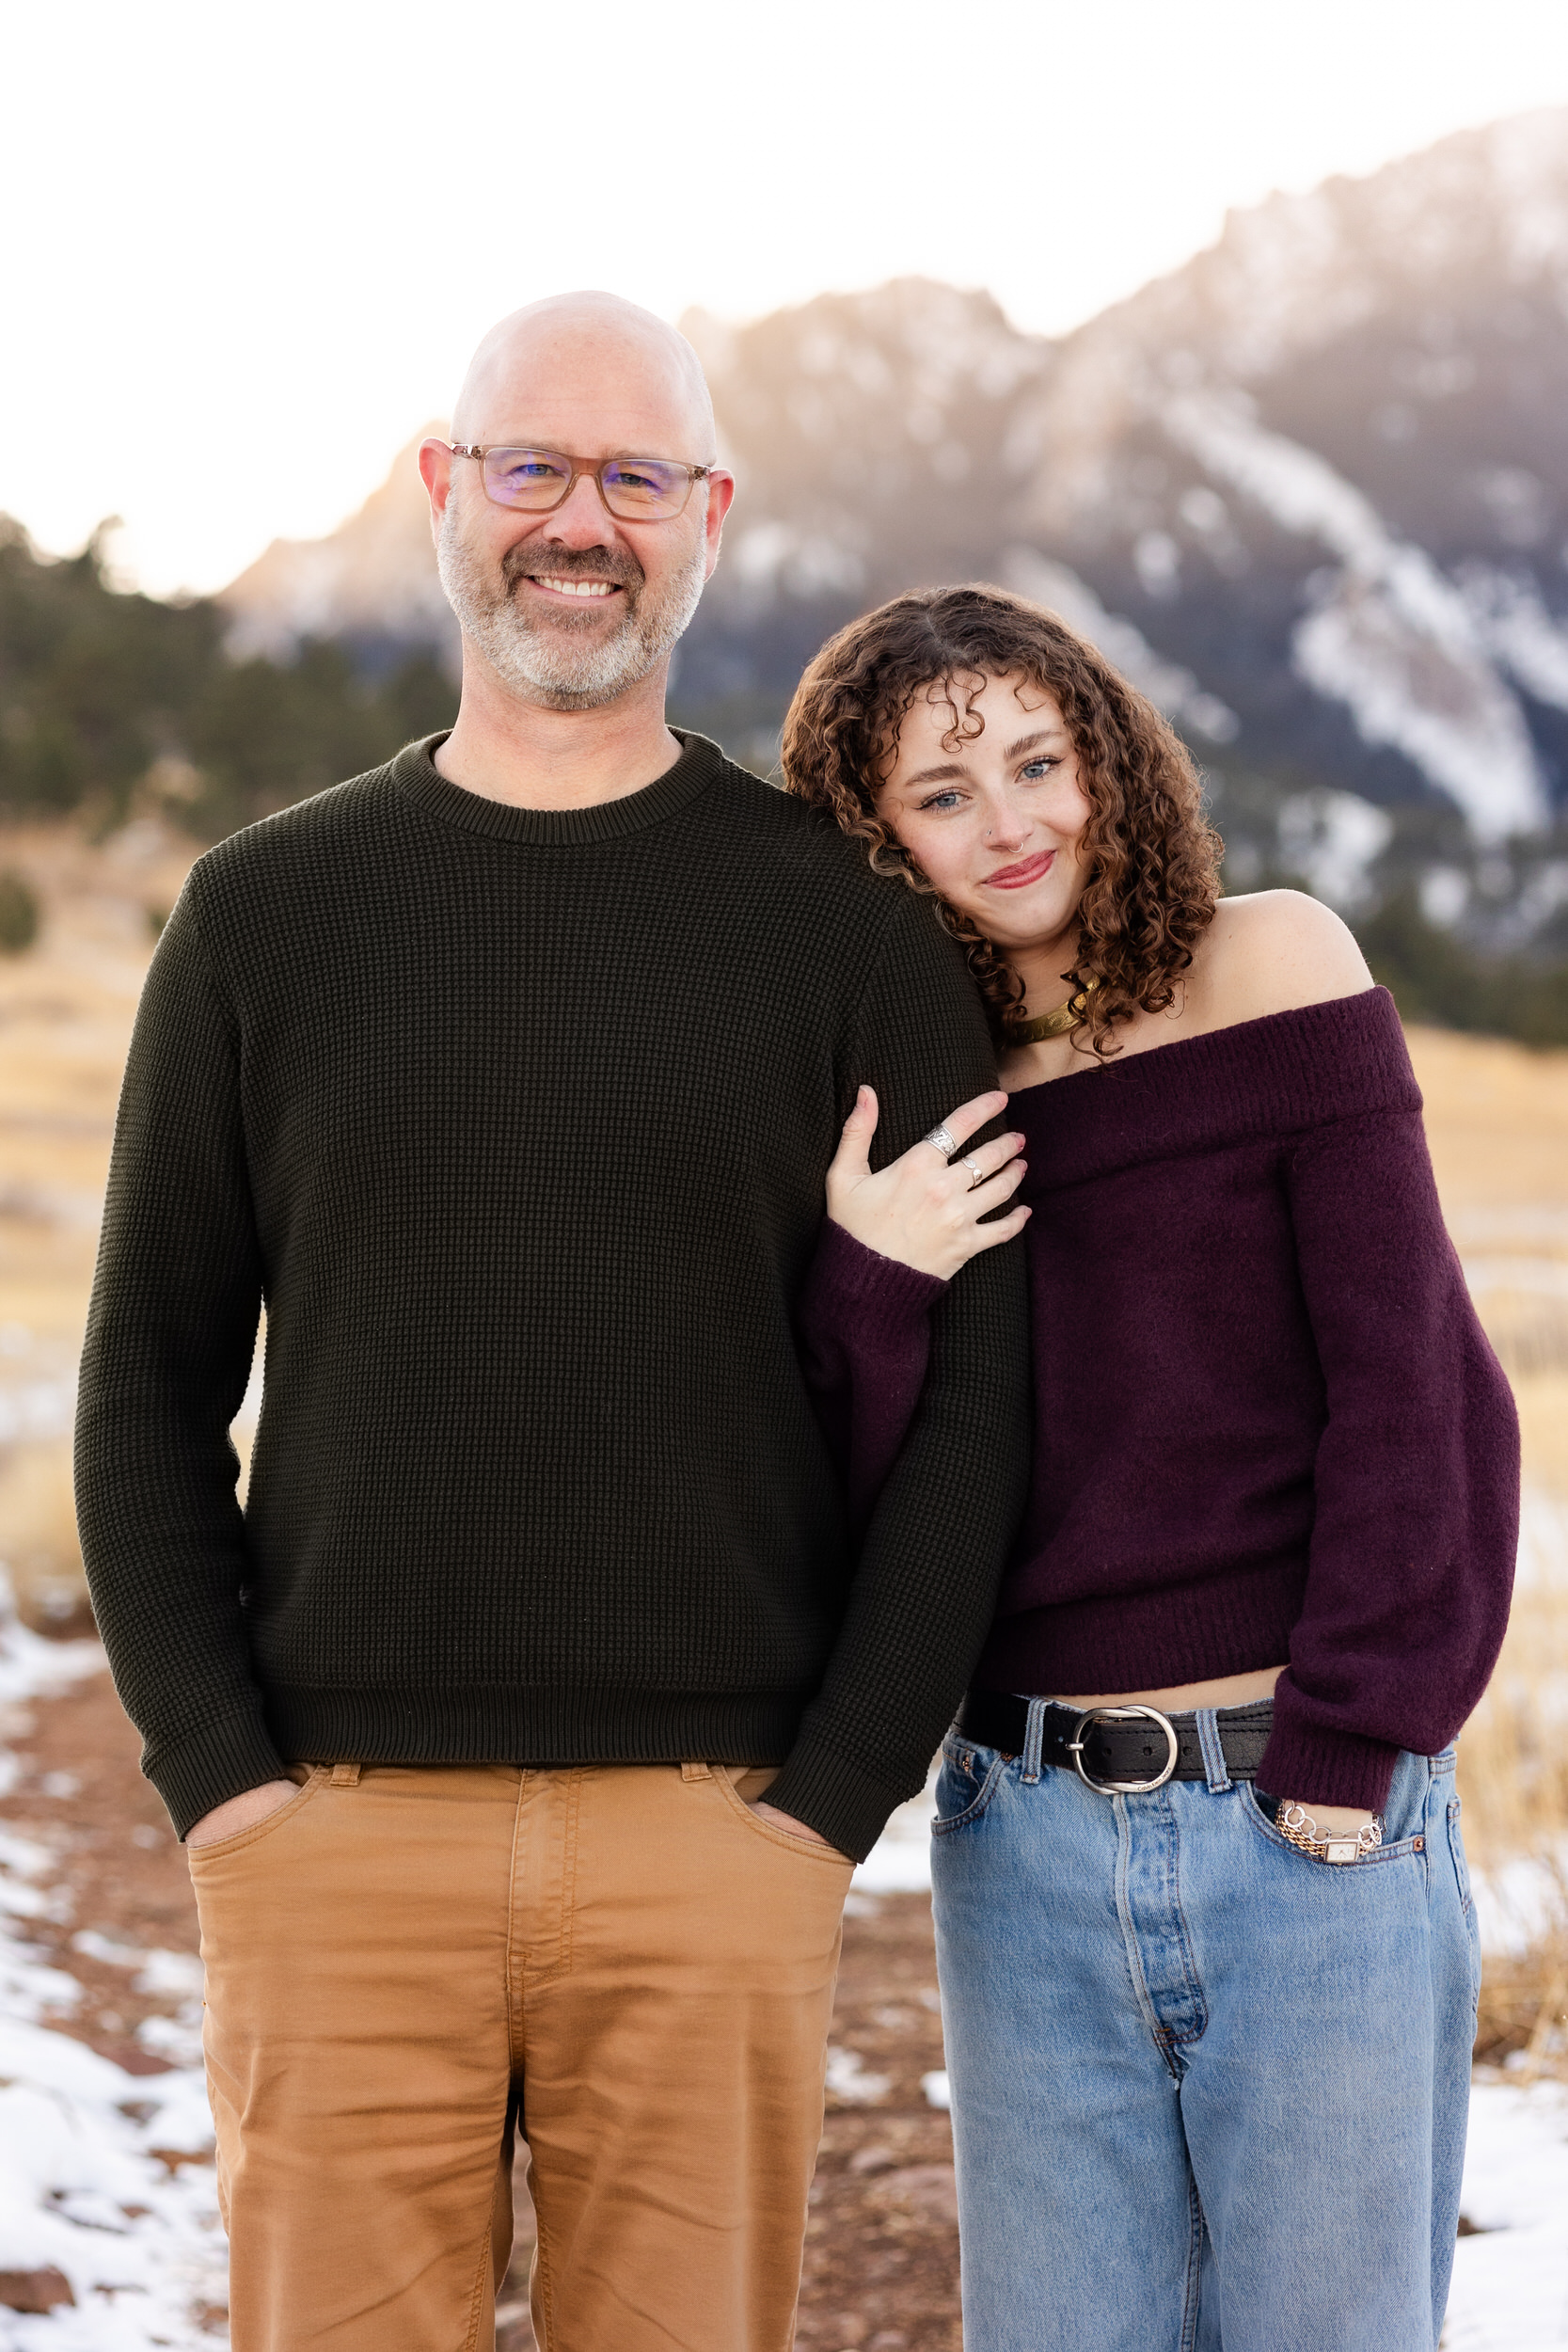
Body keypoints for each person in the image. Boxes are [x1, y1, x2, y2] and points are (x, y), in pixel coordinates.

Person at [73, 306, 1031, 2352]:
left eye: (634, 479)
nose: (577, 523)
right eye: (530, 467)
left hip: (719, 1836)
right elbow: (147, 1378)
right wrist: (225, 1787)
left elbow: (978, 1395)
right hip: (334, 1835)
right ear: (443, 489)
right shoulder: (262, 915)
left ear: (710, 519)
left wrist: (828, 1806)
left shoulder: (853, 925)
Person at [784, 583, 1519, 2352]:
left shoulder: (1272, 968)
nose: (1012, 820)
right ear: (872, 837)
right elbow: (845, 1487)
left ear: (1110, 761)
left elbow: (1413, 1389)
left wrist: (1352, 1742)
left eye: (1042, 761)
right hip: (1019, 1834)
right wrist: (873, 1274)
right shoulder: (910, 1094)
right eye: (944, 794)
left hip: (1308, 1818)